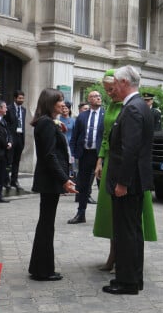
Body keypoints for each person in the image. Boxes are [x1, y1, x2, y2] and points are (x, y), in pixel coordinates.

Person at [93, 69, 157, 272]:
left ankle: (127, 276)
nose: (110, 92)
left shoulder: (131, 108)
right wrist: (101, 159)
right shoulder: (137, 106)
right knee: (127, 225)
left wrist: (123, 182)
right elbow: (107, 137)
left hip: (125, 172)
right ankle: (131, 275)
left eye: (112, 88)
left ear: (121, 83)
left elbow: (131, 149)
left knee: (128, 226)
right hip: (121, 168)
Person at [28, 88, 78, 281]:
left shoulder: (48, 123)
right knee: (46, 225)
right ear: (50, 103)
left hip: (49, 181)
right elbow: (50, 156)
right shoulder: (47, 124)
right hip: (49, 181)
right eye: (60, 100)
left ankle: (39, 267)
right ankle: (43, 270)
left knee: (46, 224)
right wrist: (64, 179)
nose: (63, 104)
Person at [68, 91, 104, 224]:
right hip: (85, 154)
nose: (98, 97)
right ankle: (80, 214)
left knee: (103, 185)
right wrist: (72, 153)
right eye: (94, 96)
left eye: (99, 96)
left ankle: (104, 217)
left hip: (100, 155)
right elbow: (75, 137)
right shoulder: (82, 116)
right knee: (82, 185)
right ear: (89, 99)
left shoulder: (105, 115)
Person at [6, 90, 26, 191]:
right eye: (19, 98)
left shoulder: (23, 110)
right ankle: (7, 181)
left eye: (22, 98)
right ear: (15, 98)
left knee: (17, 161)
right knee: (9, 160)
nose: (21, 100)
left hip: (20, 137)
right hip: (12, 137)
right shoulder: (9, 109)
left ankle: (15, 180)